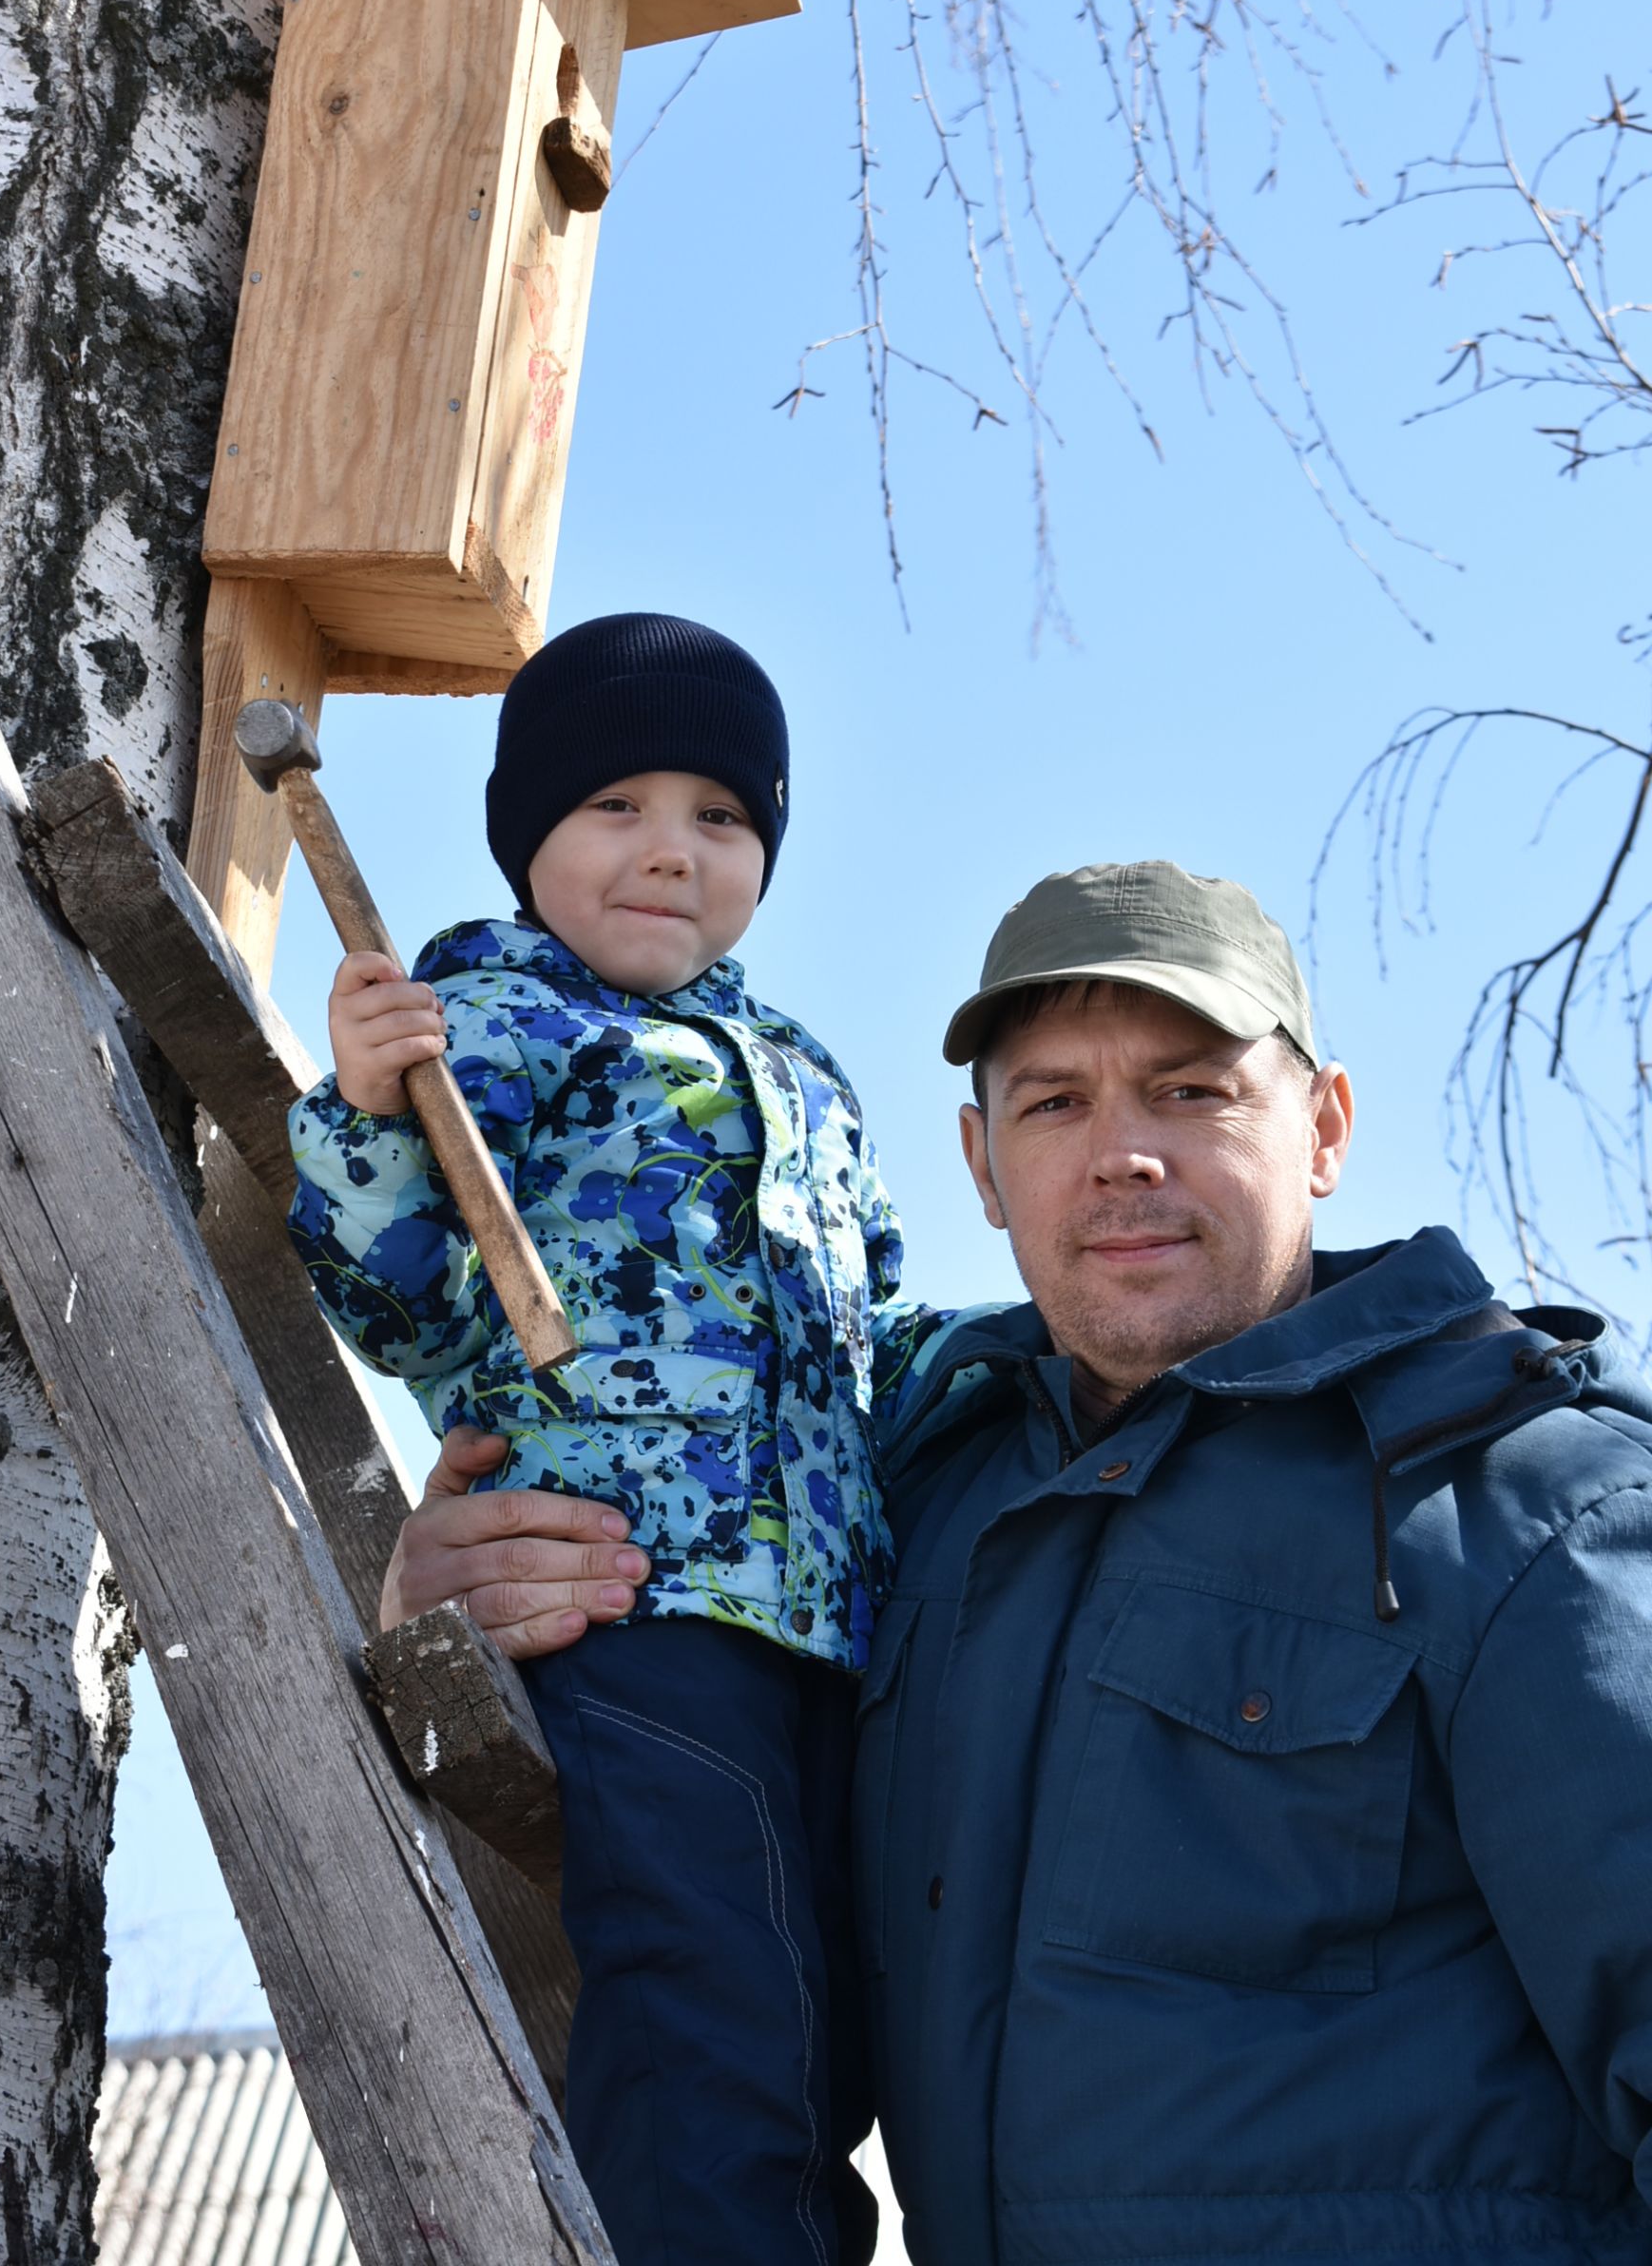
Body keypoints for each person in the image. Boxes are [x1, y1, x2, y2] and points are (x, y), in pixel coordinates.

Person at [386, 860, 1652, 2266]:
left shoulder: (1528, 1502)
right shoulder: (895, 1507)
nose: (1123, 1155)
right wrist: (464, 1595)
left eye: (1192, 1089)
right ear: (984, 1164)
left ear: (1326, 1127)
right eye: (1056, 1101)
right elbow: (719, 1941)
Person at [287, 612, 947, 2266]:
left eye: (722, 818)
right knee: (706, 1999)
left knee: (832, 2026)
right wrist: (365, 1114)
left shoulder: (806, 1072)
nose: (673, 852)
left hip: (830, 1627)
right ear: (531, 839)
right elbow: (405, 1307)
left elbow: (876, 1320)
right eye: (619, 809)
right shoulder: (493, 1019)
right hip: (628, 1604)